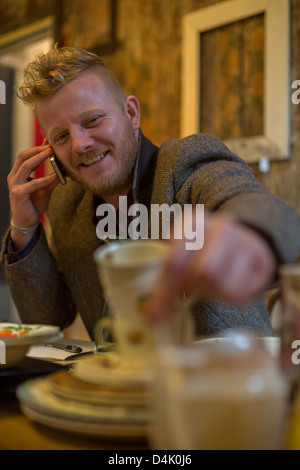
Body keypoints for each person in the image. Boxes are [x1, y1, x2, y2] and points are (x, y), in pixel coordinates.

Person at [1, 45, 300, 341]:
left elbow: (252, 202)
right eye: (62, 136)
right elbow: (46, 320)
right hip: (117, 385)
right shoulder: (66, 204)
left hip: (224, 381)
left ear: (131, 113)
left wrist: (250, 233)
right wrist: (24, 227)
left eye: (92, 120)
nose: (80, 144)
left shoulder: (186, 163)